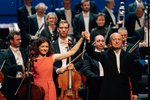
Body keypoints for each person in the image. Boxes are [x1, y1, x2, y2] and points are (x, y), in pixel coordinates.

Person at [30, 31, 89, 100]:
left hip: (50, 87)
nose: (45, 48)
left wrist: (81, 38)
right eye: (42, 46)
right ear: (38, 47)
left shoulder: (52, 57)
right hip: (38, 88)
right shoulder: (33, 60)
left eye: (47, 46)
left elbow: (71, 52)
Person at [86, 32, 139, 100]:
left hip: (124, 91)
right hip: (108, 91)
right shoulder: (104, 55)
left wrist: (135, 93)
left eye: (119, 39)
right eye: (114, 39)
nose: (117, 41)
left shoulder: (129, 56)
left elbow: (133, 76)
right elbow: (91, 53)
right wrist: (88, 41)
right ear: (110, 42)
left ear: (122, 41)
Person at [1, 31, 28, 100]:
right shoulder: (4, 53)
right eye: (17, 40)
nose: (20, 41)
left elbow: (27, 63)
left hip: (23, 81)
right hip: (11, 84)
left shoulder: (24, 51)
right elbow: (6, 69)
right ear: (11, 41)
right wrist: (20, 68)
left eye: (20, 39)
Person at [82, 35, 105, 100]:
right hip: (94, 84)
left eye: (103, 41)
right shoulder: (88, 55)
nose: (101, 43)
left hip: (106, 83)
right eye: (98, 41)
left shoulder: (108, 54)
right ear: (94, 43)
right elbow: (86, 70)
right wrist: (97, 78)